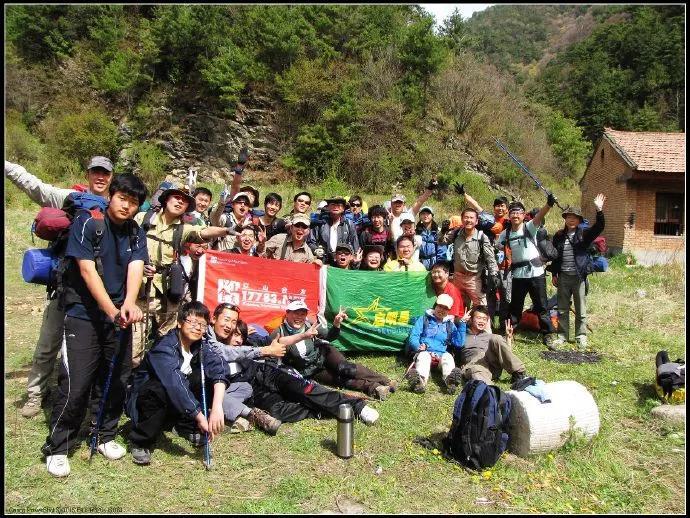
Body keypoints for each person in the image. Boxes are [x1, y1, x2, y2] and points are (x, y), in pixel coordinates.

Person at [41, 173, 148, 477]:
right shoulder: (88, 222)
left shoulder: (136, 232)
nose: (127, 206)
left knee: (116, 378)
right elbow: (87, 272)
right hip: (84, 314)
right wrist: (112, 310)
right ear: (111, 195)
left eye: (134, 202)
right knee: (76, 383)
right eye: (123, 198)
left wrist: (129, 303)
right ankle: (59, 446)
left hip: (119, 314)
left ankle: (104, 434)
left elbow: (136, 266)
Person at [6, 156, 115, 419]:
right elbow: (34, 186)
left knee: (94, 346)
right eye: (96, 172)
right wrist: (9, 167)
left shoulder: (116, 206)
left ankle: (85, 394)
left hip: (100, 291)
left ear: (111, 177)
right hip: (65, 284)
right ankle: (35, 394)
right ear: (88, 174)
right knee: (48, 342)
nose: (100, 177)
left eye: (105, 173)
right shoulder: (68, 198)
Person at [206, 307, 379, 431]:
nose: (230, 328)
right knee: (278, 410)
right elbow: (225, 353)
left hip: (268, 373)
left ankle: (357, 406)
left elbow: (276, 342)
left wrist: (303, 335)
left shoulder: (248, 340)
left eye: (235, 325)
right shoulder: (209, 345)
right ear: (214, 319)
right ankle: (324, 409)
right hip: (253, 390)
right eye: (226, 321)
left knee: (306, 390)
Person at [132, 187, 243, 368]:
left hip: (167, 295)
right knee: (134, 351)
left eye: (183, 201)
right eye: (175, 198)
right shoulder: (141, 219)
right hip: (140, 292)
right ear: (165, 200)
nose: (179, 202)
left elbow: (202, 232)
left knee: (168, 344)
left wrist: (225, 231)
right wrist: (138, 266)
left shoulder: (183, 229)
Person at [126, 302, 227, 465]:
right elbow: (174, 383)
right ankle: (141, 440)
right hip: (145, 403)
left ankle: (184, 426)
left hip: (175, 404)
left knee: (205, 378)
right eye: (193, 322)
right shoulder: (164, 347)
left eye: (202, 325)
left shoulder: (199, 346)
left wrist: (217, 407)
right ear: (180, 322)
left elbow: (218, 366)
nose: (197, 328)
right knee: (159, 388)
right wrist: (200, 416)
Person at [272, 300, 397, 400]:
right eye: (295, 313)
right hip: (310, 370)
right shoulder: (279, 332)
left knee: (345, 368)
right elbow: (276, 347)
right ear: (287, 313)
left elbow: (329, 337)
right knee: (340, 381)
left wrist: (336, 323)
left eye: (302, 313)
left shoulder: (309, 324)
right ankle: (375, 388)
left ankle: (385, 381)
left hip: (324, 354)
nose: (299, 317)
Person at [497, 195, 560, 348]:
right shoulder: (505, 234)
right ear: (508, 215)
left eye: (519, 212)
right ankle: (510, 332)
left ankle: (548, 334)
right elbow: (499, 246)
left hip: (536, 273)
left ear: (524, 215)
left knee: (541, 306)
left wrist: (548, 204)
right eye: (512, 212)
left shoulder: (529, 227)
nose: (515, 215)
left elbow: (540, 216)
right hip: (518, 275)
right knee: (515, 306)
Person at [550, 195, 606, 349]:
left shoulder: (584, 234)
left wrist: (599, 209)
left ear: (579, 220)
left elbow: (599, 227)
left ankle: (581, 336)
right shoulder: (559, 236)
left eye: (575, 217)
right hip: (563, 276)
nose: (571, 219)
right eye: (568, 216)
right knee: (562, 308)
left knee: (581, 308)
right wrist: (554, 273)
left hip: (579, 277)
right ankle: (562, 336)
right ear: (565, 219)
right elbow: (555, 256)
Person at [405, 294, 466, 394]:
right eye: (440, 306)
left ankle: (450, 381)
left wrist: (462, 323)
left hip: (441, 356)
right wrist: (418, 346)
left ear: (449, 311)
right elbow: (414, 336)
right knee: (424, 356)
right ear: (435, 306)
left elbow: (459, 343)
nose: (441, 310)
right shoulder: (424, 320)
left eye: (445, 308)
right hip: (425, 352)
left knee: (448, 357)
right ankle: (420, 382)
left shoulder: (450, 325)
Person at [440, 208, 499, 308]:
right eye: (466, 217)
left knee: (481, 307)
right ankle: (461, 324)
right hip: (457, 277)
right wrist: (443, 231)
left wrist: (494, 274)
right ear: (462, 220)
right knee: (458, 307)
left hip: (474, 278)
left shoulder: (482, 237)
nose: (468, 220)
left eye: (471, 218)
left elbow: (490, 258)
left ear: (476, 221)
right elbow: (441, 241)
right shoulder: (456, 233)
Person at [456, 306, 528, 386]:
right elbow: (454, 352)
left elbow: (506, 354)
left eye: (484, 319)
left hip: (492, 365)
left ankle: (519, 373)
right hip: (476, 367)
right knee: (477, 372)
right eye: (479, 318)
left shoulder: (489, 336)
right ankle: (492, 391)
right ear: (471, 319)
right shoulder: (463, 335)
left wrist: (508, 338)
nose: (482, 321)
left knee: (496, 338)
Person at [308, 196, 360, 265]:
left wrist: (355, 261)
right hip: (323, 262)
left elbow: (355, 246)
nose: (336, 207)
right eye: (333, 205)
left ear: (343, 208)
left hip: (343, 264)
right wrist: (315, 250)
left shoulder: (349, 224)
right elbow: (311, 242)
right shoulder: (320, 223)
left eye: (339, 205)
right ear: (328, 207)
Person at [416, 206, 447, 270]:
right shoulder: (416, 232)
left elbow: (442, 250)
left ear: (432, 216)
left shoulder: (438, 231)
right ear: (419, 216)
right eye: (423, 213)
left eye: (428, 213)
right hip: (420, 264)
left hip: (435, 263)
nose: (425, 216)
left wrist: (440, 265)